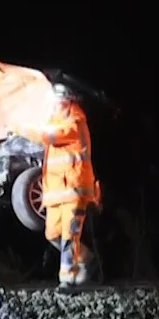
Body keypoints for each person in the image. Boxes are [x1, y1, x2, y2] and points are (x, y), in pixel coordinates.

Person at [41, 83, 102, 287]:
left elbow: (50, 135)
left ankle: (67, 279)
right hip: (57, 192)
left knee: (70, 234)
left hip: (75, 190)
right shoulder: (54, 121)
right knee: (52, 234)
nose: (55, 105)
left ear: (68, 101)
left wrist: (23, 126)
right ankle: (86, 258)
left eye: (59, 101)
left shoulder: (75, 122)